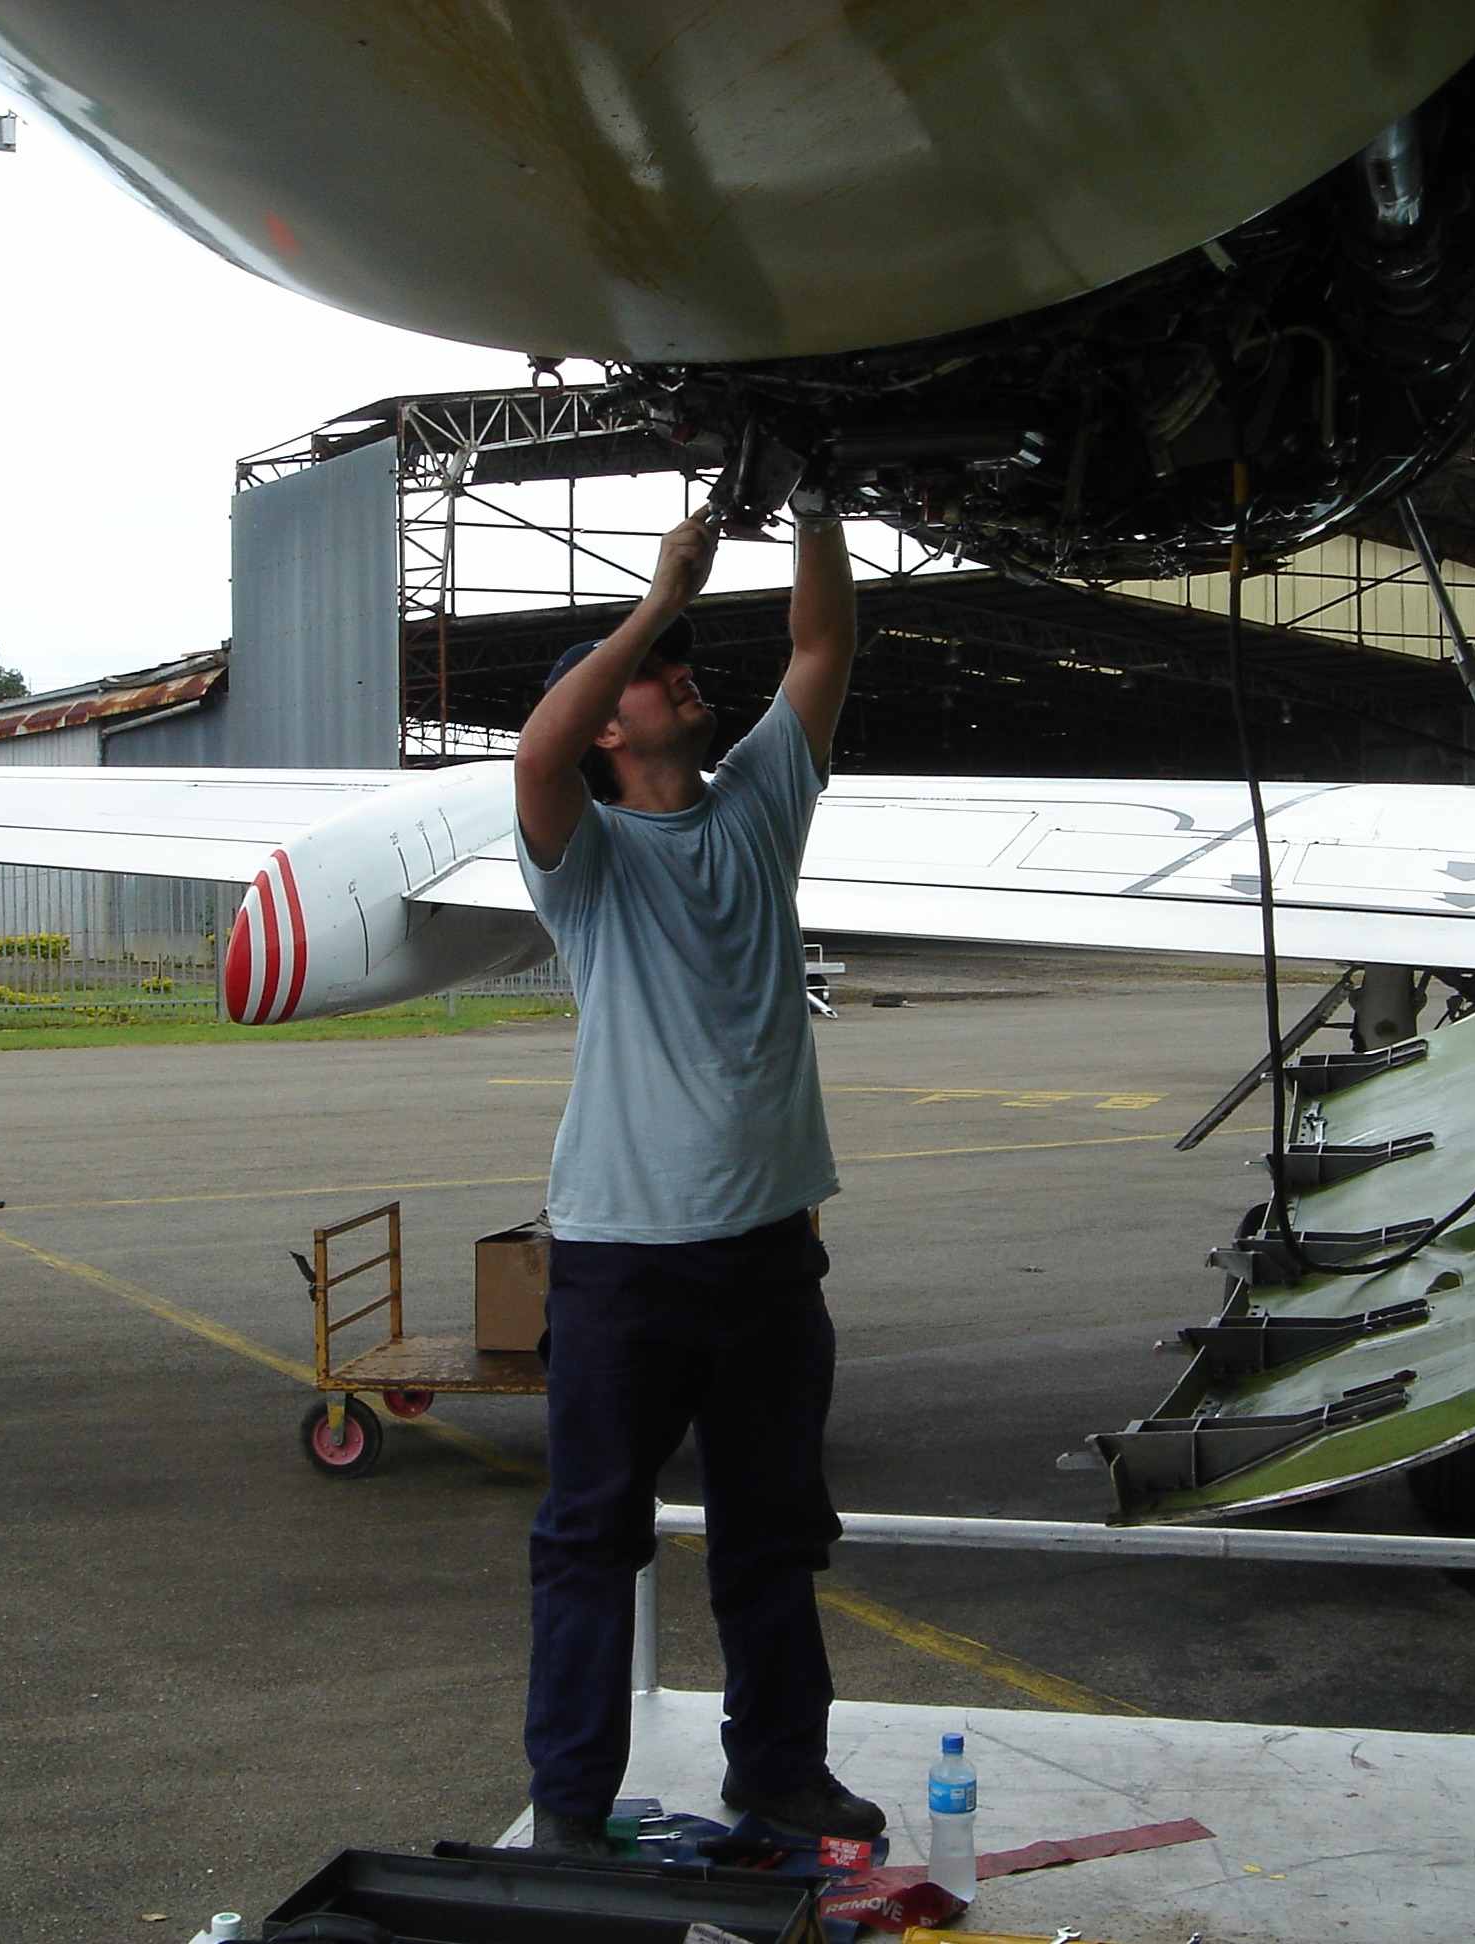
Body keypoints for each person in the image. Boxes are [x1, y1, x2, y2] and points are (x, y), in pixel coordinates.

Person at [512, 497, 880, 1856]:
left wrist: (818, 510)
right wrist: (658, 602)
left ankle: (779, 1771)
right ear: (610, 731)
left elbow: (821, 645)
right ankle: (569, 1805)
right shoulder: (588, 859)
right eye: (655, 675)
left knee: (772, 1533)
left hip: (770, 1254)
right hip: (621, 1259)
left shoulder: (760, 805)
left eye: (675, 662)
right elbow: (537, 751)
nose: (680, 677)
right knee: (590, 1536)